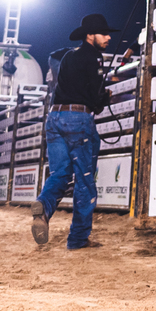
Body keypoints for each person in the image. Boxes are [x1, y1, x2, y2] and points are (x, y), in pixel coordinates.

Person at [31, 13, 119, 250]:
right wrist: (104, 97)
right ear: (90, 35)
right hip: (78, 120)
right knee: (84, 179)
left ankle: (43, 206)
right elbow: (94, 100)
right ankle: (78, 238)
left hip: (54, 118)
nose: (108, 37)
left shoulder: (68, 56)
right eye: (103, 33)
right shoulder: (95, 58)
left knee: (60, 172)